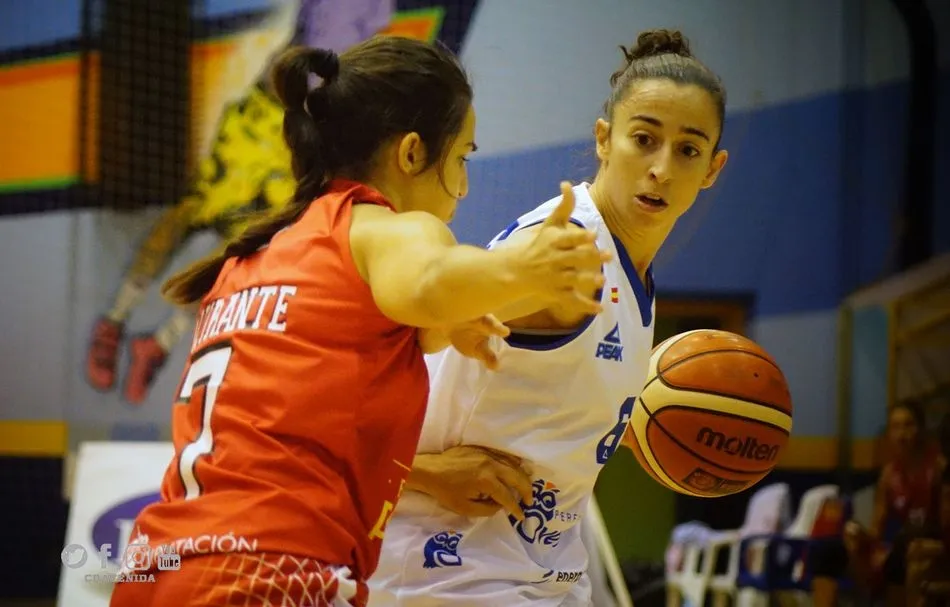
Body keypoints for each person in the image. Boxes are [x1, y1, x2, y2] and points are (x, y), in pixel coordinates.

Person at [109, 36, 608, 607]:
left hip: (157, 571)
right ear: (412, 153)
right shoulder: (385, 229)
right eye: (462, 158)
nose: (466, 186)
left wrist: (458, 314)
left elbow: (338, 375)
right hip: (271, 575)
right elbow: (428, 280)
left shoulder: (253, 257)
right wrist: (521, 268)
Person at [368, 28, 729, 606]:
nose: (661, 168)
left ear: (712, 168)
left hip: (542, 575)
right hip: (449, 575)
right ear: (604, 140)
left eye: (688, 150)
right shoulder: (564, 250)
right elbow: (360, 370)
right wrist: (423, 471)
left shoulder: (628, 268)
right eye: (644, 139)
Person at [85, 0, 395, 404]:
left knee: (241, 254)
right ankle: (114, 320)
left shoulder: (380, 11)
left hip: (298, 145)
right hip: (264, 115)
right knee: (189, 215)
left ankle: (160, 343)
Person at [811, 401, 947, 607]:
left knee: (902, 554)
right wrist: (858, 536)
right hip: (901, 546)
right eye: (896, 427)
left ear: (921, 430)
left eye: (908, 425)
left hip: (932, 546)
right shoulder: (889, 475)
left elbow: (945, 528)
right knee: (829, 554)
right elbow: (877, 531)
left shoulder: (939, 468)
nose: (902, 434)